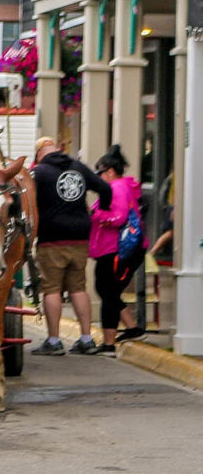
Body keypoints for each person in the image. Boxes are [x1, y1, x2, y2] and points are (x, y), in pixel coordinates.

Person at [31, 136, 112, 356]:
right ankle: (86, 339)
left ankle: (54, 341)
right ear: (57, 149)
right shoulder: (78, 168)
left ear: (39, 154)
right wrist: (100, 210)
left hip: (51, 237)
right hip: (80, 235)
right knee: (78, 286)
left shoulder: (39, 173)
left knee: (51, 288)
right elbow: (105, 189)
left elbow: (27, 202)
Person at [89, 146, 141, 354]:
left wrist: (94, 215)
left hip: (116, 250)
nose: (100, 178)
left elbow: (117, 218)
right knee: (107, 290)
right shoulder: (121, 187)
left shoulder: (116, 189)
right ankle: (132, 327)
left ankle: (109, 343)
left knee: (108, 292)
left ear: (110, 171)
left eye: (101, 173)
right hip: (115, 249)